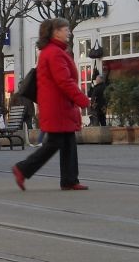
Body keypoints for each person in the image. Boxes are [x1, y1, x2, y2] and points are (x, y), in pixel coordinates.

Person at [12, 18, 90, 191]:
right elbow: (64, 81)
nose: (68, 32)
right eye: (65, 29)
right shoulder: (54, 53)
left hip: (58, 105)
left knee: (68, 142)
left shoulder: (53, 51)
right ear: (56, 32)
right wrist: (82, 99)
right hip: (58, 106)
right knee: (54, 143)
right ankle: (23, 168)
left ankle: (69, 179)